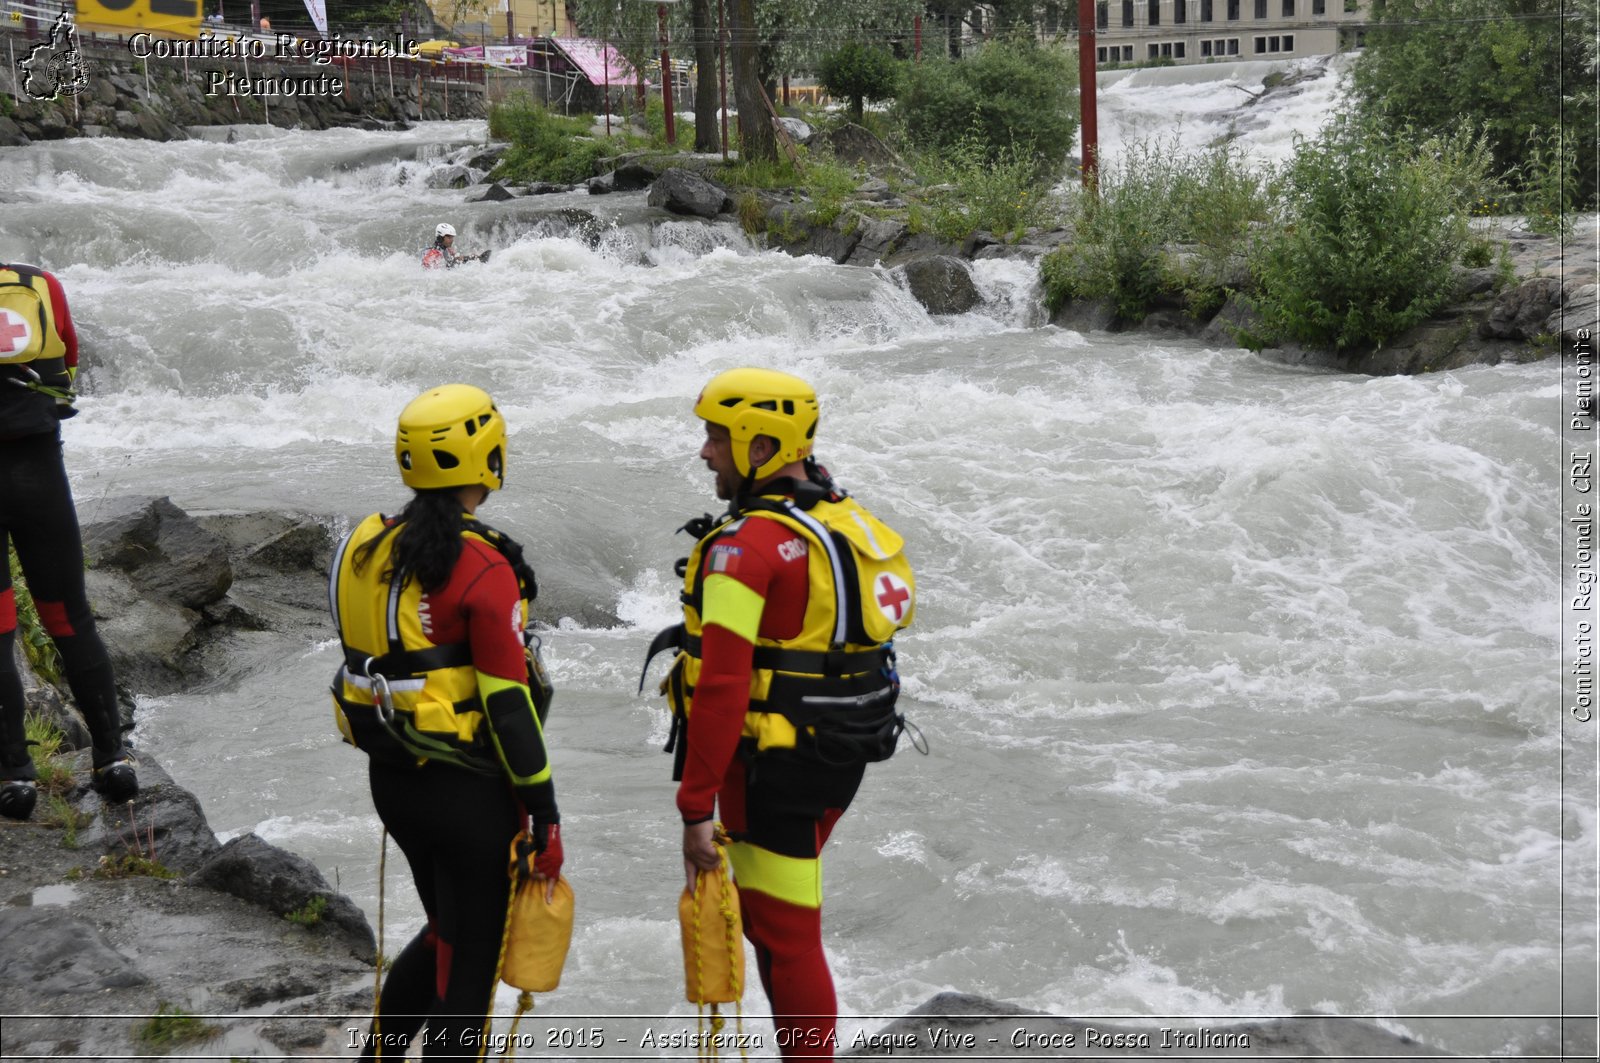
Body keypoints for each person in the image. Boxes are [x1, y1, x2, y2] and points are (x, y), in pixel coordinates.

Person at [645, 368, 917, 1059]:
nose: (704, 451)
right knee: (771, 923)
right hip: (840, 748)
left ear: (759, 446)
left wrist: (693, 807)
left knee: (789, 936)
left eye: (714, 436)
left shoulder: (745, 549)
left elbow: (724, 686)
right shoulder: (834, 514)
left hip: (776, 767)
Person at [329, 383, 563, 1059]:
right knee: (469, 966)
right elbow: (508, 705)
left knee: (443, 928)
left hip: (394, 782)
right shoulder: (486, 564)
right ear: (487, 458)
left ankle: (377, 1056)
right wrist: (544, 813)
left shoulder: (365, 547)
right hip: (468, 798)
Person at [0, 262, 137, 820]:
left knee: (0, 629)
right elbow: (69, 363)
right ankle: (112, 759)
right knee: (67, 616)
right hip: (37, 467)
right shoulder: (37, 282)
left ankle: (14, 777)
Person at [421, 223, 488, 270]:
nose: (452, 240)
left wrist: (472, 258)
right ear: (440, 238)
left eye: (452, 237)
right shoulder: (433, 254)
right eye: (449, 238)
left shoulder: (447, 249)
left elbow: (456, 258)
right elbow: (429, 270)